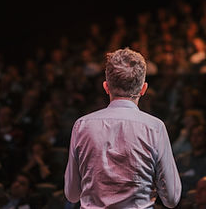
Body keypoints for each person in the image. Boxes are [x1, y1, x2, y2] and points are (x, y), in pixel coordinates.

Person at [64, 48, 181, 208]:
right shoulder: (154, 128)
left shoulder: (82, 126)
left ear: (106, 87)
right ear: (143, 89)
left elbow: (72, 194)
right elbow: (172, 198)